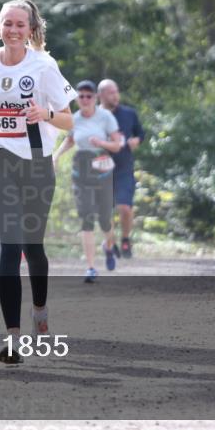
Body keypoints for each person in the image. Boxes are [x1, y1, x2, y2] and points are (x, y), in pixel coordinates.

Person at [0, 0, 74, 365]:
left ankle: (40, 312)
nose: (14, 31)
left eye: (21, 25)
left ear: (30, 30)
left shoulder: (44, 66)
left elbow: (67, 120)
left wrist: (44, 112)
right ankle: (11, 337)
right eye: (8, 24)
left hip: (36, 163)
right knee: (9, 245)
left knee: (33, 248)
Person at [53, 80, 124, 283]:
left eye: (88, 96)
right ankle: (91, 267)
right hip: (81, 168)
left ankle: (109, 246)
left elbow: (117, 145)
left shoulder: (106, 117)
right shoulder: (73, 119)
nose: (84, 99)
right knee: (86, 218)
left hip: (102, 166)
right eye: (81, 96)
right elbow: (70, 139)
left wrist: (101, 142)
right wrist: (56, 156)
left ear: (95, 98)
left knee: (104, 219)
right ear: (77, 99)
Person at [97, 79, 145, 258]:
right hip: (100, 169)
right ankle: (109, 242)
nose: (115, 95)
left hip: (124, 168)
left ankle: (125, 240)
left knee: (124, 207)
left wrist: (136, 140)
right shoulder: (92, 116)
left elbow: (141, 133)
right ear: (100, 95)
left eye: (116, 91)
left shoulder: (128, 114)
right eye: (111, 92)